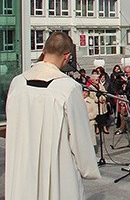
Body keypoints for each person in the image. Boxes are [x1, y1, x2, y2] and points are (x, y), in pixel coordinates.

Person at [5, 31, 101, 199]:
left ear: (43, 50)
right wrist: (88, 168)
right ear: (67, 56)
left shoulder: (17, 83)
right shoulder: (69, 88)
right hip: (57, 170)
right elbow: (79, 137)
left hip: (22, 167)